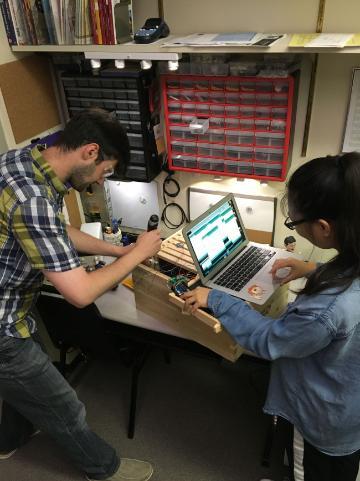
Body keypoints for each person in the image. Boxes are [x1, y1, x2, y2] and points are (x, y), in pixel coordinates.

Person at [0, 108, 161, 481]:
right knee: (64, 405)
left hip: (15, 309)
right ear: (90, 152)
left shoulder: (27, 160)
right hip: (5, 327)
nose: (102, 182)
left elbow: (57, 230)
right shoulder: (33, 200)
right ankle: (103, 468)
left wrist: (117, 251)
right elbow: (80, 293)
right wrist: (138, 254)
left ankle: (9, 439)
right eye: (106, 171)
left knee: (25, 385)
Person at [182, 152, 360, 481]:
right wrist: (312, 268)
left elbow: (270, 340)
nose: (293, 224)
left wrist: (217, 298)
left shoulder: (328, 309)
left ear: (323, 227)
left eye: (294, 222)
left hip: (321, 422)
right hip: (349, 411)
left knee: (308, 471)